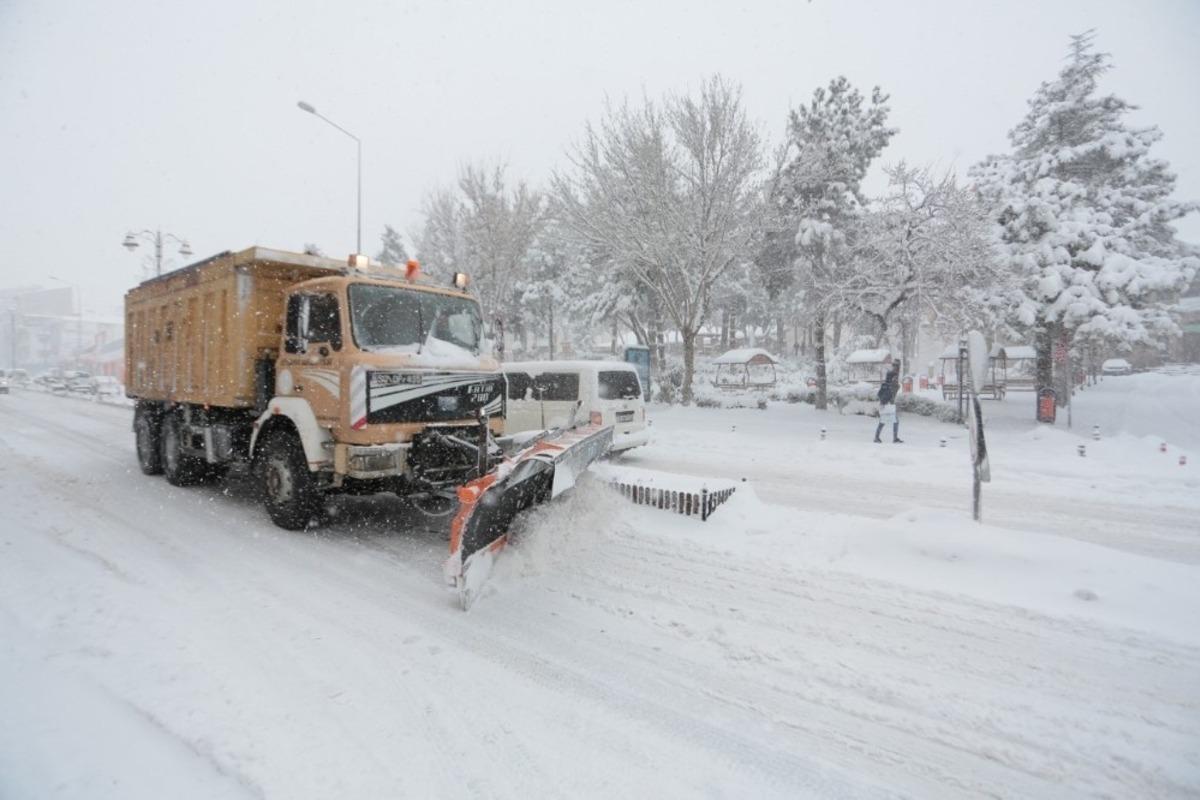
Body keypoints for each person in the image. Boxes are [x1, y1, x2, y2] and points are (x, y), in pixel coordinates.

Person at [874, 359, 903, 443]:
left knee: (885, 421)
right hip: (888, 403)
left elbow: (884, 392)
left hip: (886, 403)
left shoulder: (889, 378)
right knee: (888, 421)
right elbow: (893, 389)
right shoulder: (892, 378)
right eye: (896, 365)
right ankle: (893, 438)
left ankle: (877, 437)